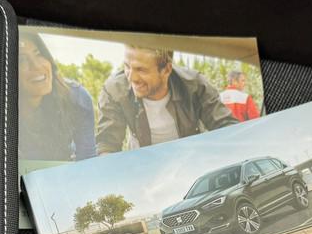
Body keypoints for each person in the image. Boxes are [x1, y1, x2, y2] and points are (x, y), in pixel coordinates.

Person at [95, 45, 237, 154]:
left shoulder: (194, 85)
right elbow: (107, 145)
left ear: (166, 70)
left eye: (141, 70)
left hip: (190, 160)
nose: (131, 78)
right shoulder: (115, 90)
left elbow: (227, 128)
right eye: (127, 66)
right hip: (142, 164)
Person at [18, 31, 97, 162]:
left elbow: (88, 160)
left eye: (38, 54)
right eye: (22, 60)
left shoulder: (77, 97)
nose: (37, 66)